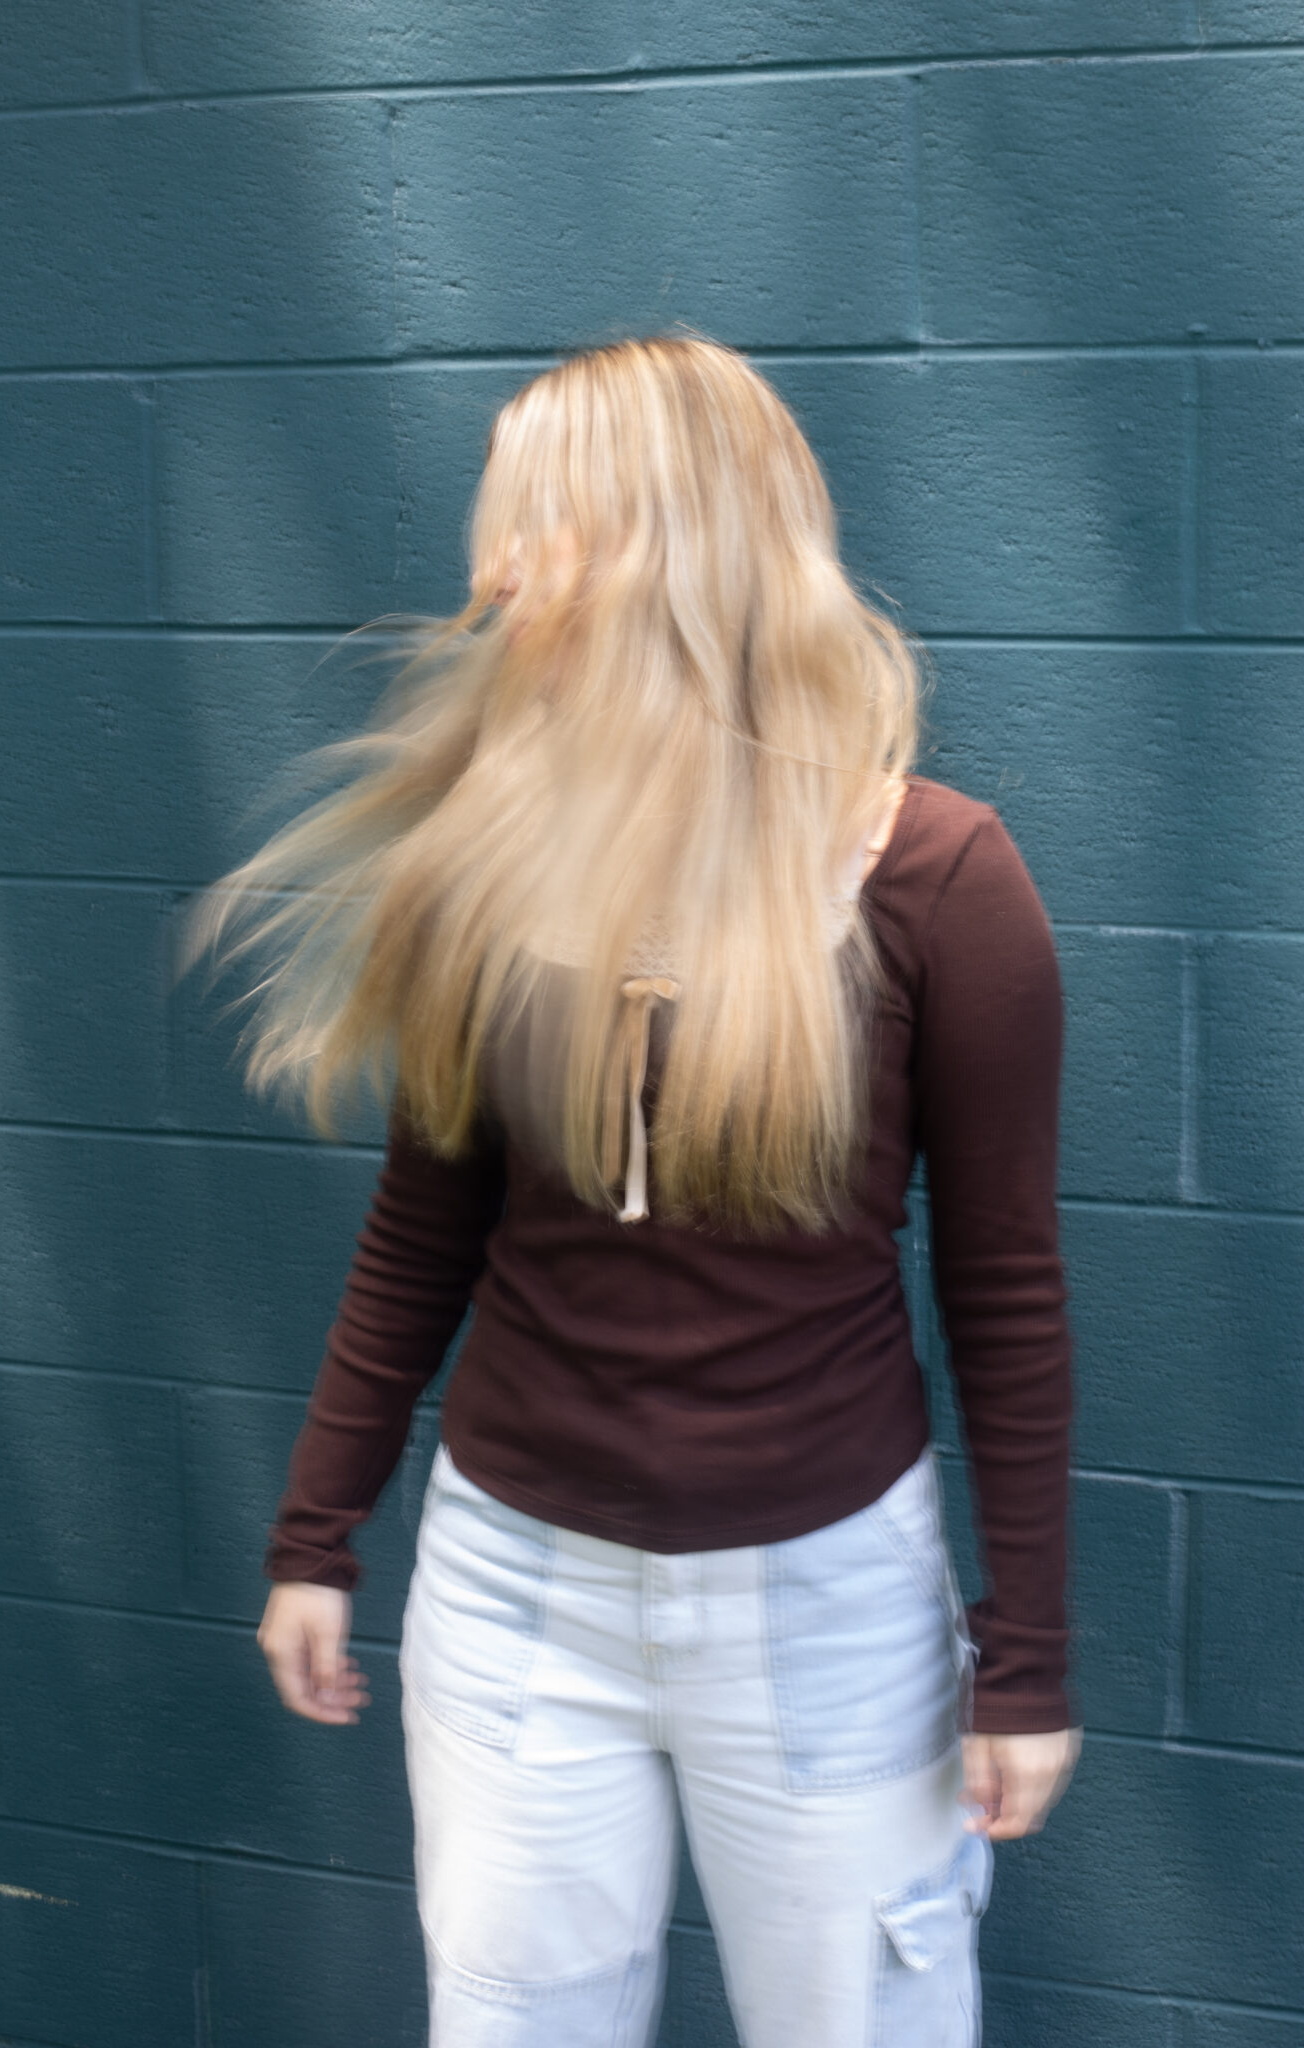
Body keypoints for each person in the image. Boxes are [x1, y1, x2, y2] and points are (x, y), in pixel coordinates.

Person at [195, 335, 1080, 2047]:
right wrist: (316, 1532)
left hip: (825, 1605)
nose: (494, 580)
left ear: (671, 547)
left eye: (538, 530)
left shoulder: (936, 877)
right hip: (512, 1591)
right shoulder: (488, 855)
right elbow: (423, 1229)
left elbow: (1005, 1294)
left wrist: (1024, 1656)